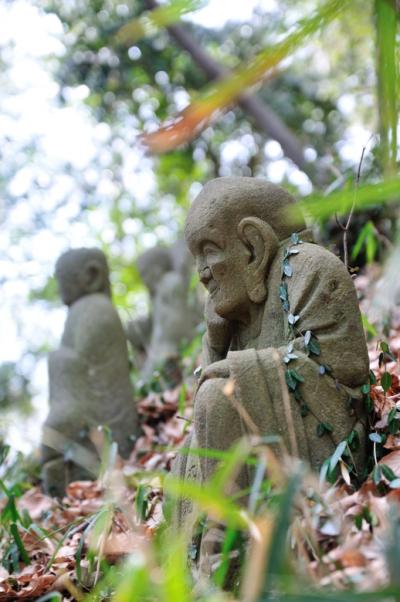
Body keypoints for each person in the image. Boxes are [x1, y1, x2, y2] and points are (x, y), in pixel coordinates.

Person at [173, 177, 369, 530]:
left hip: (331, 444)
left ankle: (229, 554)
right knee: (185, 453)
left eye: (209, 250)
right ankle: (193, 561)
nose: (202, 273)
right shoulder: (232, 315)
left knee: (220, 398)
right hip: (275, 439)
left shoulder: (310, 266)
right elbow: (208, 393)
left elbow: (344, 369)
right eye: (197, 258)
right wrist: (216, 345)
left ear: (254, 246)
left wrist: (236, 374)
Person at [41, 248, 140, 496]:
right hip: (109, 430)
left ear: (91, 275)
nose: (60, 287)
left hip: (105, 433)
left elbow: (77, 373)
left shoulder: (93, 310)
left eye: (64, 278)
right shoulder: (89, 310)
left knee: (60, 359)